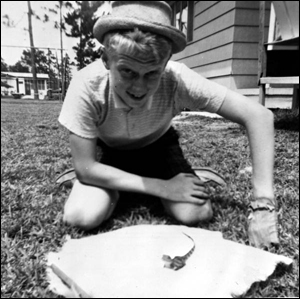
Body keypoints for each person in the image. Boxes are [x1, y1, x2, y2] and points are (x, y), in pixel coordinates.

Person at [58, 1, 279, 249]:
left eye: (151, 73)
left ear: (166, 63)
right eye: (127, 71)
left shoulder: (177, 78)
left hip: (159, 147)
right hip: (108, 152)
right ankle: (124, 188)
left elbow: (259, 116)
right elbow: (86, 167)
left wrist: (263, 205)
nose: (139, 88)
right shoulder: (86, 85)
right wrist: (164, 187)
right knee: (81, 215)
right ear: (106, 59)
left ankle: (137, 186)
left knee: (195, 212)